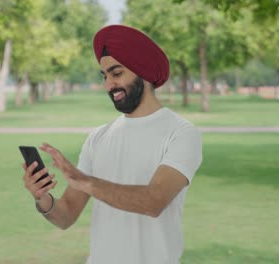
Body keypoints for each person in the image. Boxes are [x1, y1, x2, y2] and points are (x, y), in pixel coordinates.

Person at [22, 25, 203, 264]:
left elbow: (153, 201)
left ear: (144, 71)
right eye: (105, 76)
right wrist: (42, 198)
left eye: (116, 73)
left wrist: (84, 181)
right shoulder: (98, 137)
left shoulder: (181, 133)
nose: (108, 85)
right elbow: (65, 215)